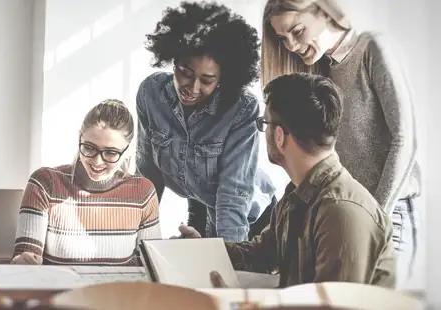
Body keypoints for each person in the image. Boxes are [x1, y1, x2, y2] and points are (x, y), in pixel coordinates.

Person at [181, 73, 396, 288]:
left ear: (279, 136)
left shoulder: (341, 212)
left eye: (264, 123)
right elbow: (260, 255)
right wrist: (202, 250)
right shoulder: (299, 193)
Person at [261, 0, 420, 285]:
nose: (292, 46)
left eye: (297, 31)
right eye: (282, 39)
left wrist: (371, 218)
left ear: (324, 11)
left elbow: (405, 139)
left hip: (388, 212)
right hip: (343, 217)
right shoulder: (320, 71)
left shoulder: (372, 48)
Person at [136, 1, 277, 243]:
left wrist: (231, 257)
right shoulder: (151, 93)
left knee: (225, 274)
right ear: (173, 60)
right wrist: (138, 238)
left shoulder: (242, 109)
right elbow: (147, 175)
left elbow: (232, 195)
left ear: (223, 78)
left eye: (207, 80)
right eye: (185, 72)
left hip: (250, 220)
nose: (192, 88)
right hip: (200, 204)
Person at [12, 99, 161, 266]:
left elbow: (151, 267)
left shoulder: (143, 192)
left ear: (128, 149)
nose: (97, 161)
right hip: (60, 291)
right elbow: (23, 261)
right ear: (79, 136)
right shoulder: (45, 183)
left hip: (119, 291)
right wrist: (23, 262)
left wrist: (181, 249)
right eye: (89, 147)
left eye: (111, 153)